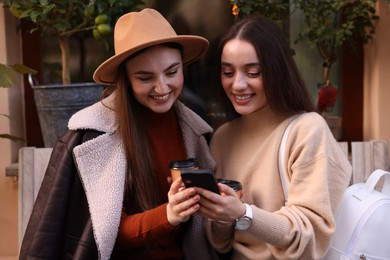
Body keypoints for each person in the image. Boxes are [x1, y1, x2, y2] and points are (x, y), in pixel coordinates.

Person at [19, 8, 218, 260]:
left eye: (172, 72)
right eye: (145, 77)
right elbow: (104, 234)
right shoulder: (93, 136)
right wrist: (169, 214)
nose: (162, 87)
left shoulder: (195, 130)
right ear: (124, 79)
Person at [194, 16, 352, 259]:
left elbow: (310, 235)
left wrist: (244, 213)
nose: (237, 84)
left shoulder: (308, 129)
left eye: (253, 72)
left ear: (277, 71)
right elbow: (221, 243)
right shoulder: (222, 138)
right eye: (228, 72)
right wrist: (221, 215)